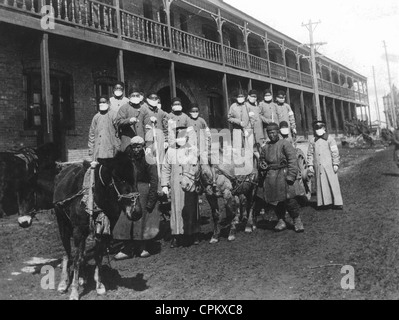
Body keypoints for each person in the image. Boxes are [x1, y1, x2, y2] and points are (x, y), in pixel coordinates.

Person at [114, 136, 159, 260]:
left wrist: (151, 200)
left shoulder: (149, 160)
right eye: (134, 147)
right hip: (129, 189)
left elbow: (154, 180)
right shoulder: (128, 159)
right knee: (126, 218)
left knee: (141, 217)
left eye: (138, 147)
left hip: (143, 189)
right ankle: (127, 249)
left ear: (143, 147)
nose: (136, 150)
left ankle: (142, 247)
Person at [259, 122, 305, 233]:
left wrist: (291, 176)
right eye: (269, 133)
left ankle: (296, 220)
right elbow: (262, 160)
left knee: (290, 200)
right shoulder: (265, 148)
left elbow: (293, 160)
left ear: (278, 132)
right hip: (271, 178)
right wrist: (262, 165)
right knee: (276, 201)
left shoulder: (285, 144)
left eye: (273, 132)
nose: (271, 135)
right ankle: (281, 220)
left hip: (284, 175)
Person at [161, 126, 200, 248]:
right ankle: (176, 235)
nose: (181, 139)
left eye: (183, 137)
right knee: (176, 209)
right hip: (175, 185)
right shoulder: (171, 151)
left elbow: (197, 167)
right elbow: (165, 168)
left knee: (191, 208)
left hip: (189, 184)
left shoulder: (192, 150)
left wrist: (196, 181)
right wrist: (164, 184)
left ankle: (192, 233)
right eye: (179, 137)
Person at [307, 119, 343, 210]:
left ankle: (338, 203)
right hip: (319, 167)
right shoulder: (312, 141)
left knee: (333, 184)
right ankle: (325, 202)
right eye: (316, 128)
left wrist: (335, 163)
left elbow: (335, 152)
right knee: (321, 184)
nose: (318, 129)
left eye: (320, 127)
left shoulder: (330, 139)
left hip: (329, 166)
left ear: (324, 128)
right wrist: (310, 164)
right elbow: (310, 153)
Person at [88, 96, 120, 160]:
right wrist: (91, 149)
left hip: (110, 149)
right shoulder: (96, 117)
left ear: (108, 103)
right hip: (98, 149)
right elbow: (92, 134)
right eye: (101, 102)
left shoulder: (114, 115)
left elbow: (119, 131)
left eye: (104, 102)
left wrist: (117, 146)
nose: (102, 104)